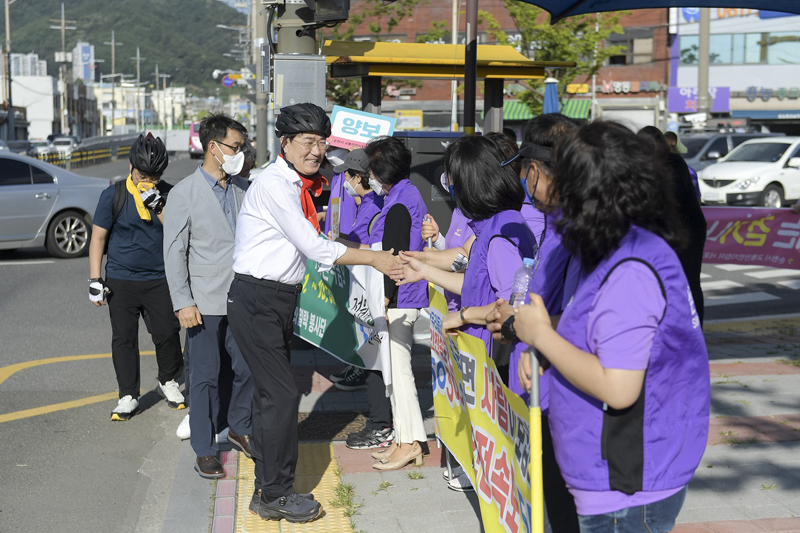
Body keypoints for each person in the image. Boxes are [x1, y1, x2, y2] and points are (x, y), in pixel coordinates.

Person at [488, 121, 710, 532]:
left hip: (626, 485)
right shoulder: (614, 245)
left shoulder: (631, 268)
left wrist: (542, 337)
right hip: (610, 474)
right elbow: (593, 323)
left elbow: (618, 387)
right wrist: (544, 334)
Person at [227, 103, 400, 524]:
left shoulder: (297, 183)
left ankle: (266, 487)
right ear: (285, 143)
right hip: (257, 300)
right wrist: (374, 260)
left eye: (322, 142)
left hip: (275, 300)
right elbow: (316, 247)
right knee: (283, 396)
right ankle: (276, 492)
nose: (317, 150)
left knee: (275, 397)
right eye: (308, 142)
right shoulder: (275, 185)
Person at [163, 114, 254, 479]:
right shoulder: (184, 193)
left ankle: (238, 424)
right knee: (205, 375)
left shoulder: (243, 188)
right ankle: (205, 448)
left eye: (242, 147)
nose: (240, 153)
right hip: (202, 302)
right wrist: (182, 301)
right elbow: (174, 252)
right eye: (235, 146)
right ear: (214, 147)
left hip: (243, 298)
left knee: (247, 368)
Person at [87, 133, 185, 421]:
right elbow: (98, 238)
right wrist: (95, 279)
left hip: (160, 278)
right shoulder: (114, 195)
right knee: (124, 338)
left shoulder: (169, 193)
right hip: (120, 279)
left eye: (155, 175)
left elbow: (180, 232)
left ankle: (168, 380)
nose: (149, 180)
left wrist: (159, 205)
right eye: (144, 174)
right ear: (131, 167)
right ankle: (127, 394)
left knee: (167, 333)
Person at [360, 136, 430, 471]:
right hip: (402, 294)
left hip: (401, 296)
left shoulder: (401, 201)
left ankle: (411, 442)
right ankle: (403, 439)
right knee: (396, 373)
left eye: (371, 167)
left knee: (400, 374)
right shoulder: (404, 194)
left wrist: (386, 297)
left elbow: (395, 255)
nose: (367, 175)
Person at [326, 149, 397, 449]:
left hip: (376, 294)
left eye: (346, 175)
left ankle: (382, 425)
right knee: (375, 359)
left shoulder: (373, 205)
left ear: (358, 177)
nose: (342, 180)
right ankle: (381, 422)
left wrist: (337, 244)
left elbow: (367, 245)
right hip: (371, 292)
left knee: (377, 361)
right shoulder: (373, 201)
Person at [639, 126, 707, 325]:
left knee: (689, 281)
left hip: (688, 230)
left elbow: (673, 197)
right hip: (666, 231)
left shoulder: (674, 162)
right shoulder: (644, 166)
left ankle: (695, 330)